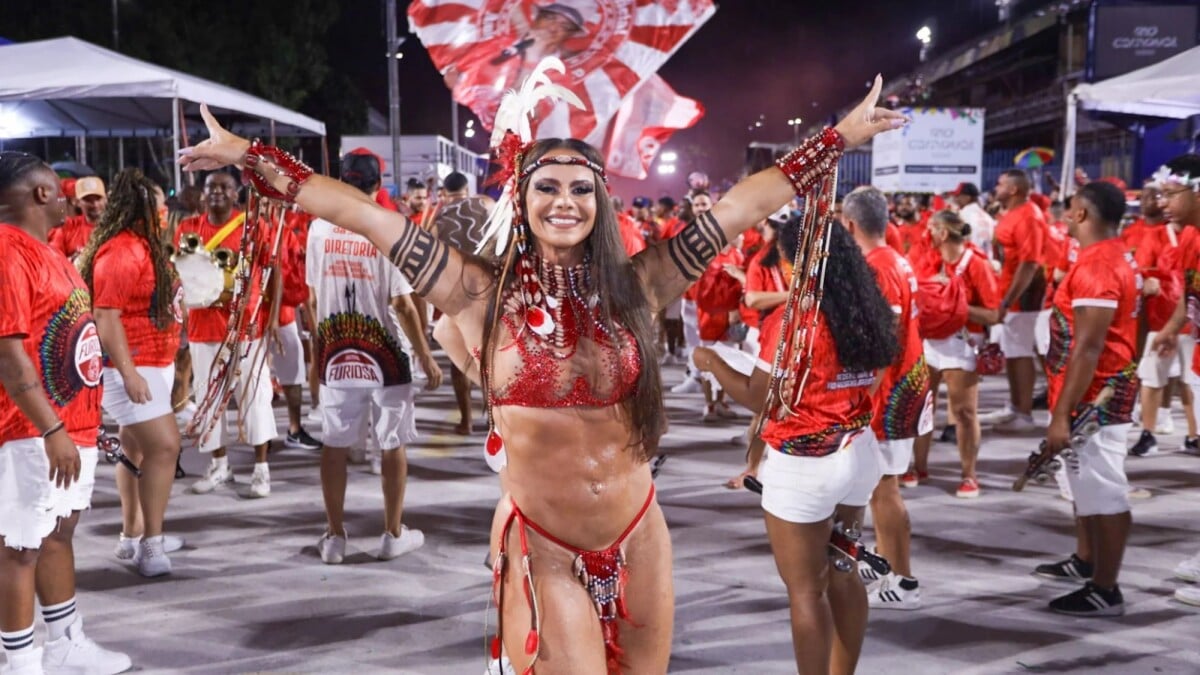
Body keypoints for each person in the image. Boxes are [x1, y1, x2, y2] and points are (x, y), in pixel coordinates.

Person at [178, 76, 903, 672]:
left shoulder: (642, 283)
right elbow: (364, 216)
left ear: (601, 202)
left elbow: (747, 204)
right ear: (521, 203)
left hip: (640, 530)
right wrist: (247, 153)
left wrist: (840, 136)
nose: (566, 200)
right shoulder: (475, 291)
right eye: (547, 186)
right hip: (544, 542)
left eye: (582, 188)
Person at [693, 218, 897, 675]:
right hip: (858, 451)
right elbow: (879, 375)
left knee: (806, 591)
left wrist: (711, 363)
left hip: (805, 462)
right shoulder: (867, 306)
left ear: (792, 261)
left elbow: (761, 398)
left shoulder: (795, 320)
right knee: (842, 571)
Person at [0, 151, 131, 674]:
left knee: (56, 535)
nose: (71, 198)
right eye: (62, 189)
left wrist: (84, 420)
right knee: (20, 547)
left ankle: (64, 642)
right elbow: (8, 352)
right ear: (41, 194)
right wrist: (51, 426)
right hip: (31, 429)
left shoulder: (45, 250)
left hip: (68, 424)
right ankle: (18, 661)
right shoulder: (8, 251)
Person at [308, 150, 442, 563]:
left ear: (343, 182)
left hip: (335, 349)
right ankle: (392, 532)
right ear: (377, 185)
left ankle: (334, 538)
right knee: (392, 443)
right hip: (386, 354)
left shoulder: (318, 229)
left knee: (334, 443)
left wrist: (319, 354)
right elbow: (403, 305)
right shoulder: (389, 229)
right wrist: (426, 354)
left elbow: (314, 298)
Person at [1032, 181, 1140, 616]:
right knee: (1086, 487)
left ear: (1081, 214)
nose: (1064, 217)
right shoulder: (1113, 254)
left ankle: (1106, 588)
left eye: (1070, 209)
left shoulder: (1099, 265)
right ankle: (1088, 561)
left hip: (1097, 398)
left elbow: (1088, 347)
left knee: (1105, 491)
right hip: (1090, 392)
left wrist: (1060, 415)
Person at [75, 169, 186, 578]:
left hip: (150, 361)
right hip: (133, 365)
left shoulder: (142, 244)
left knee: (134, 449)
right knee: (164, 448)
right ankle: (151, 546)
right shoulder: (122, 249)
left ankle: (132, 536)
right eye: (158, 201)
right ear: (140, 205)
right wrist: (130, 373)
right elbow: (106, 316)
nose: (164, 208)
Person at [840, 186, 930, 610]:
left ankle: (904, 577)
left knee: (885, 489)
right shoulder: (894, 259)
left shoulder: (880, 267)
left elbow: (885, 342)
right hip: (899, 386)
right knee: (878, 486)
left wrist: (864, 398)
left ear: (850, 224)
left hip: (891, 394)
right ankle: (886, 561)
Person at [176, 171, 277, 498]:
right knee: (209, 400)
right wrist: (223, 292)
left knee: (256, 399)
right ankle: (219, 465)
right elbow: (194, 282)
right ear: (203, 195)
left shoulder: (254, 227)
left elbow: (273, 275)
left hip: (248, 330)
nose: (217, 192)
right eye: (211, 187)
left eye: (224, 187)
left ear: (237, 195)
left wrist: (271, 319)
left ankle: (261, 470)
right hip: (204, 330)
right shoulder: (189, 229)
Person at [905, 210, 1000, 497]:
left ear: (943, 233)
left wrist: (954, 303)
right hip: (928, 342)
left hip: (962, 343)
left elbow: (994, 314)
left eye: (931, 229)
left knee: (964, 412)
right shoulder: (927, 259)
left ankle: (969, 475)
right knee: (921, 407)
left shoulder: (976, 264)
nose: (927, 234)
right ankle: (918, 466)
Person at [1145, 154, 1200, 608]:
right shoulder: (1188, 238)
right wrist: (1169, 330)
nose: (1162, 201)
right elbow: (1190, 294)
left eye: (1171, 193)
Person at [982, 169, 1046, 432]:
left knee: (1020, 354)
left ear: (1014, 189)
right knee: (1011, 352)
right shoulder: (1010, 214)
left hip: (1023, 298)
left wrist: (1009, 300)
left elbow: (1030, 264)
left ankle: (1025, 413)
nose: (996, 188)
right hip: (1007, 293)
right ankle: (1015, 406)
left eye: (1000, 184)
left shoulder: (1030, 216)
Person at [48, 176, 105, 260]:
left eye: (98, 199)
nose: (95, 204)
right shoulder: (67, 228)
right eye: (88, 200)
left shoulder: (117, 228)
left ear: (106, 199)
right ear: (77, 202)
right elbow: (54, 260)